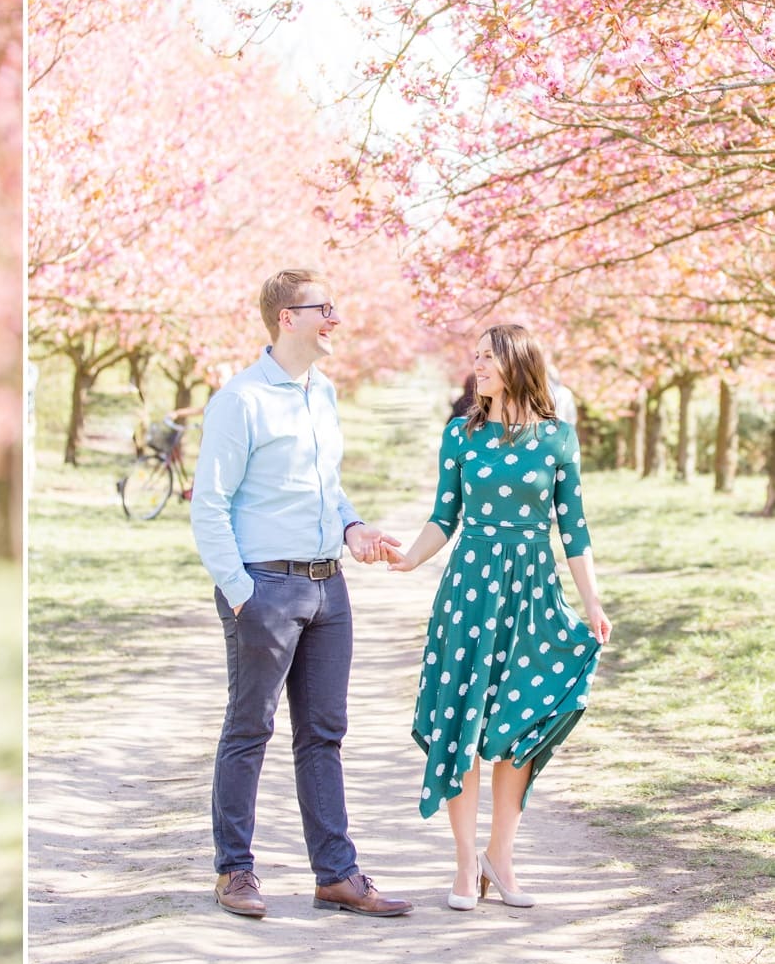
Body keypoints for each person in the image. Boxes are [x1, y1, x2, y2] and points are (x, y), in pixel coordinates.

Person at [189, 268, 414, 921]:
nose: (336, 318)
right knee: (249, 728)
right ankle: (235, 870)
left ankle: (336, 875)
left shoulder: (325, 393)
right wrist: (240, 593)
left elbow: (325, 485)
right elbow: (210, 505)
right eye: (325, 308)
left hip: (327, 588)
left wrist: (353, 526)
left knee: (323, 733)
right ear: (288, 318)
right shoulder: (241, 400)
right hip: (265, 587)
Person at [389, 323, 612, 911]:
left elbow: (575, 529)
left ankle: (501, 858)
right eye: (477, 358)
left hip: (533, 592)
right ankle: (465, 866)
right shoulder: (460, 437)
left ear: (516, 364)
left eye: (488, 358)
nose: (477, 366)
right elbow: (445, 516)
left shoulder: (558, 439)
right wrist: (411, 558)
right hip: (469, 592)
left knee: (522, 724)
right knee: (461, 721)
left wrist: (591, 602)